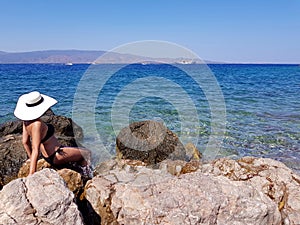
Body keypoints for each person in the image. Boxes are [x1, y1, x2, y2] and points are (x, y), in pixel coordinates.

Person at [14, 91, 93, 178]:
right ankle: (87, 177)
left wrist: (30, 158)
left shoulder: (26, 121)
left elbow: (25, 142)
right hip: (56, 155)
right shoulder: (37, 124)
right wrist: (32, 172)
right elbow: (35, 148)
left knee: (79, 151)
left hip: (49, 155)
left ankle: (80, 172)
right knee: (87, 153)